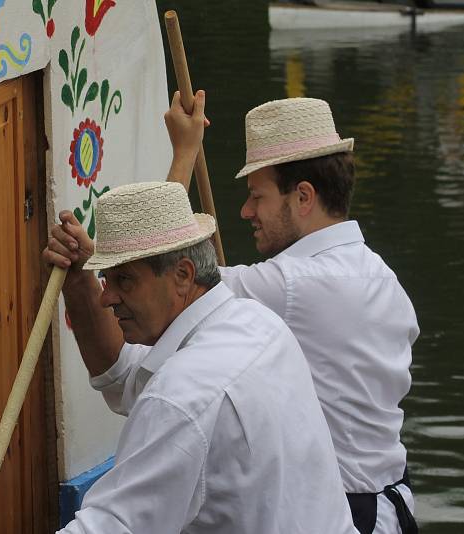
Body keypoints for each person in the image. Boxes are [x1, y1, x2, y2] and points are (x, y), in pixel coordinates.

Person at [164, 91, 420, 534]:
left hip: (342, 515)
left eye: (256, 196)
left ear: (303, 196)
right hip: (390, 508)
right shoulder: (383, 278)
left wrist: (185, 151)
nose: (246, 212)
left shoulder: (295, 286)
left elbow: (169, 279)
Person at [45, 180, 356, 533]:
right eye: (106, 279)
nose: (107, 297)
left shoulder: (180, 396)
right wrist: (78, 283)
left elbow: (113, 526)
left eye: (124, 280)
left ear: (182, 276)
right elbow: (125, 380)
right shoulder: (261, 325)